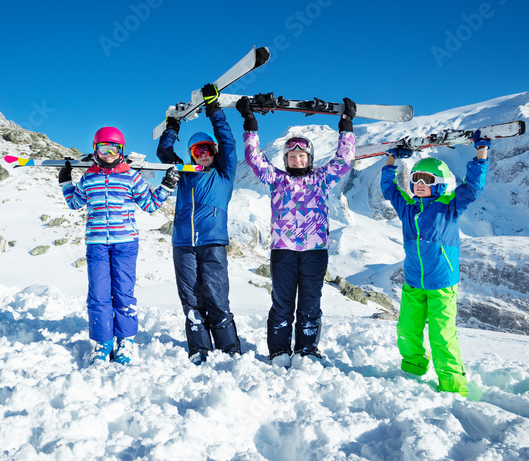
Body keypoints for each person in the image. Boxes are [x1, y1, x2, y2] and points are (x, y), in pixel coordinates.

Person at [236, 96, 356, 367]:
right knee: (282, 304)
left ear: (309, 158)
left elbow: (344, 159)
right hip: (284, 252)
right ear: (286, 159)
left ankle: (307, 350)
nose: (297, 159)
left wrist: (346, 126)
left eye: (302, 156)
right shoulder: (276, 179)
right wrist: (250, 124)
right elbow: (254, 158)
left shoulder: (322, 178)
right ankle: (278, 351)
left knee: (310, 304)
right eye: (292, 156)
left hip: (315, 252)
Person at [380, 130, 490, 396]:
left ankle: (453, 386)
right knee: (407, 330)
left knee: (442, 336)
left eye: (426, 179)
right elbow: (388, 188)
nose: (418, 183)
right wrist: (390, 160)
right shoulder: (408, 207)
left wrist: (481, 153)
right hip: (414, 282)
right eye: (416, 178)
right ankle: (413, 372)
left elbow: (473, 189)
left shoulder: (448, 206)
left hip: (441, 284)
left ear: (439, 182)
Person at [60, 126, 179, 365]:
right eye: (103, 148)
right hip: (96, 245)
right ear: (95, 150)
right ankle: (103, 341)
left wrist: (166, 186)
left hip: (125, 244)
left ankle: (126, 340)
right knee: (98, 294)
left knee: (123, 293)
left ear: (121, 150)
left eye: (114, 148)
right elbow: (75, 203)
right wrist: (66, 182)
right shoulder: (89, 177)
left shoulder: (130, 176)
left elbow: (150, 205)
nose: (109, 153)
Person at [157, 84, 242, 364]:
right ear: (191, 154)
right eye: (197, 150)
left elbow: (228, 142)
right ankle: (199, 349)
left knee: (217, 297)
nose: (202, 153)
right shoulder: (183, 172)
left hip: (213, 242)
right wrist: (172, 126)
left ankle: (229, 348)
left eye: (207, 149)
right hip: (183, 244)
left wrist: (214, 110)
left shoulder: (224, 173)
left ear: (213, 151)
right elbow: (164, 152)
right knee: (192, 300)